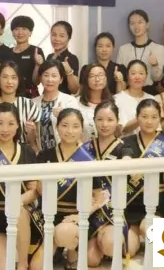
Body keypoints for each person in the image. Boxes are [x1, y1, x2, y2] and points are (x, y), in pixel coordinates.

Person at [36, 108, 110, 268]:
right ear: (57, 127)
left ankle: (72, 253)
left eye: (75, 126)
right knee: (37, 266)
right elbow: (39, 190)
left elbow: (101, 194)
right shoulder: (45, 155)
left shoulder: (88, 158)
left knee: (102, 251)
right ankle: (62, 250)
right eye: (65, 125)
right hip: (50, 214)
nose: (70, 131)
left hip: (160, 208)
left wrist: (81, 214)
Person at [0, 103, 42, 270]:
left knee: (17, 211)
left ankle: (23, 265)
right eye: (0, 123)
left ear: (18, 125)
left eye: (11, 123)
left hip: (22, 215)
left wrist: (20, 200)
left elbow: (34, 189)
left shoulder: (27, 151)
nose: (5, 129)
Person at [121, 99, 164, 247]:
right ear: (137, 118)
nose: (149, 121)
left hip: (158, 201)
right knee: (129, 248)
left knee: (150, 228)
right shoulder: (127, 141)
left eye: (154, 117)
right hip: (132, 201)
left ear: (160, 118)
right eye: (144, 116)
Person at [88, 102, 137, 262]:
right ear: (94, 120)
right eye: (100, 119)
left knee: (111, 245)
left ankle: (109, 240)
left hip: (113, 210)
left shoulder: (123, 147)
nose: (104, 124)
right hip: (90, 210)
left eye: (110, 120)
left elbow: (128, 161)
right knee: (91, 260)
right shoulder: (86, 148)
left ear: (117, 122)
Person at [33, 60, 79, 154]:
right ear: (40, 78)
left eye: (54, 76)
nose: (50, 79)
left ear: (61, 79)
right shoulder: (33, 103)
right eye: (46, 75)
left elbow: (77, 129)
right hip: (41, 155)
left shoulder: (69, 101)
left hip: (65, 154)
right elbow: (31, 136)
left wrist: (63, 116)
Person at [116, 10, 164, 95]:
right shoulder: (123, 49)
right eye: (132, 23)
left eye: (140, 22)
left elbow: (157, 78)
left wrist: (155, 65)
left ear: (147, 24)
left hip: (149, 92)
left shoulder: (158, 48)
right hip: (128, 92)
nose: (136, 26)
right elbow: (121, 77)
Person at [0, 61, 41, 146]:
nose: (9, 81)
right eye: (5, 77)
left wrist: (32, 134)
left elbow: (35, 142)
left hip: (23, 151)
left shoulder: (29, 105)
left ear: (18, 80)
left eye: (13, 77)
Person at [114, 60, 154, 135]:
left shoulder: (152, 99)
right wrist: (141, 117)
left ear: (146, 76)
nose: (137, 77)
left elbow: (157, 128)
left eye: (141, 73)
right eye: (133, 73)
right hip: (126, 141)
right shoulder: (117, 99)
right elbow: (120, 130)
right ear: (127, 76)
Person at [10, 16, 44, 98]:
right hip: (11, 95)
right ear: (12, 32)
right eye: (16, 29)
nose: (20, 32)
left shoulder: (36, 51)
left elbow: (37, 82)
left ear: (30, 32)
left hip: (30, 96)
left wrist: (37, 65)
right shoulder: (8, 52)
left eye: (24, 29)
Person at [48, 21, 80, 95]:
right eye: (54, 35)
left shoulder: (71, 58)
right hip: (47, 97)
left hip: (63, 99)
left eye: (62, 36)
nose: (56, 39)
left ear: (69, 38)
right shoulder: (49, 57)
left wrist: (69, 72)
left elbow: (74, 90)